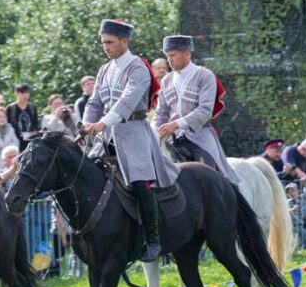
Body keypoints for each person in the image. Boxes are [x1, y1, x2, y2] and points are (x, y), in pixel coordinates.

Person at [82, 19, 179, 262]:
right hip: (105, 137)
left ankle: (154, 239)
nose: (105, 47)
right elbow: (94, 102)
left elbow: (127, 100)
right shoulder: (104, 70)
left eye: (110, 42)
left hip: (134, 132)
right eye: (103, 42)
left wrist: (104, 122)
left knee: (139, 183)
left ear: (124, 41)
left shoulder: (138, 68)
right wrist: (86, 123)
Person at [152, 35, 240, 184]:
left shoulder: (204, 76)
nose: (169, 60)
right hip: (172, 140)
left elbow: (205, 111)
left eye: (172, 55)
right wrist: (154, 131)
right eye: (167, 56)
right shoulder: (167, 80)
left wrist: (176, 124)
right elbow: (161, 113)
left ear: (187, 53)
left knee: (207, 178)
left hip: (200, 138)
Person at [6, 83, 39, 151]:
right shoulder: (11, 109)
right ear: (16, 93)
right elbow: (7, 126)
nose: (25, 95)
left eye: (27, 92)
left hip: (30, 144)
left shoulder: (32, 108)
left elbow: (35, 126)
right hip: (15, 144)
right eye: (22, 93)